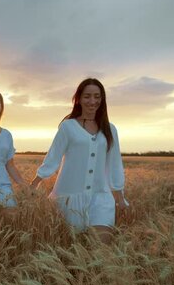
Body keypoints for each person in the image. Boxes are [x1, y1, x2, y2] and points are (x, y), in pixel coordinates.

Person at [30, 78, 129, 243]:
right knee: (71, 248)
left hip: (100, 197)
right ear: (79, 99)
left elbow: (114, 164)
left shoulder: (110, 129)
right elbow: (53, 157)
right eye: (87, 96)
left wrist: (120, 198)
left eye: (97, 96)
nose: (92, 101)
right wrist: (34, 184)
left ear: (102, 99)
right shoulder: (67, 127)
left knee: (101, 248)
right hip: (69, 198)